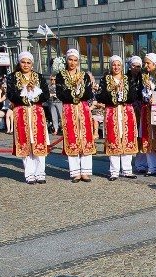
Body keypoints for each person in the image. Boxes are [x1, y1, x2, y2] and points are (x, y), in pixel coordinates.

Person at [6, 51, 50, 185]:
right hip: (21, 112)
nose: (26, 65)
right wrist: (25, 93)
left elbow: (46, 95)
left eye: (28, 62)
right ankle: (29, 173)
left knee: (39, 141)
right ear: (19, 63)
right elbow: (11, 95)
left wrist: (34, 91)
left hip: (36, 112)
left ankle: (40, 172)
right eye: (23, 62)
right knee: (25, 142)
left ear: (32, 64)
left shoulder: (39, 77)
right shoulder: (12, 77)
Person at [55, 48, 97, 183]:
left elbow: (89, 94)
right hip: (69, 108)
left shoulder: (84, 75)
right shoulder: (61, 75)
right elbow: (61, 94)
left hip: (83, 108)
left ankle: (85, 171)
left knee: (85, 137)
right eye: (70, 60)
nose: (72, 63)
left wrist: (79, 91)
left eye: (75, 60)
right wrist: (75, 92)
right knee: (72, 137)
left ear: (78, 62)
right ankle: (75, 172)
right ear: (66, 60)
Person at [98, 55, 138, 181]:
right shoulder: (106, 79)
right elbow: (101, 96)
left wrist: (123, 94)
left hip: (126, 110)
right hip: (112, 111)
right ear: (110, 66)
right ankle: (114, 170)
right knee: (113, 138)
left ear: (122, 66)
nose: (116, 67)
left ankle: (127, 169)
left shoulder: (128, 79)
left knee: (127, 138)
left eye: (118, 65)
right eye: (114, 65)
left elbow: (133, 95)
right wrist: (114, 93)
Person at [135, 53, 156, 176]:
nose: (145, 66)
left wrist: (153, 90)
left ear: (155, 64)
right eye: (145, 63)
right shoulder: (144, 77)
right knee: (147, 137)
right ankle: (151, 167)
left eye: (148, 63)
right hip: (146, 110)